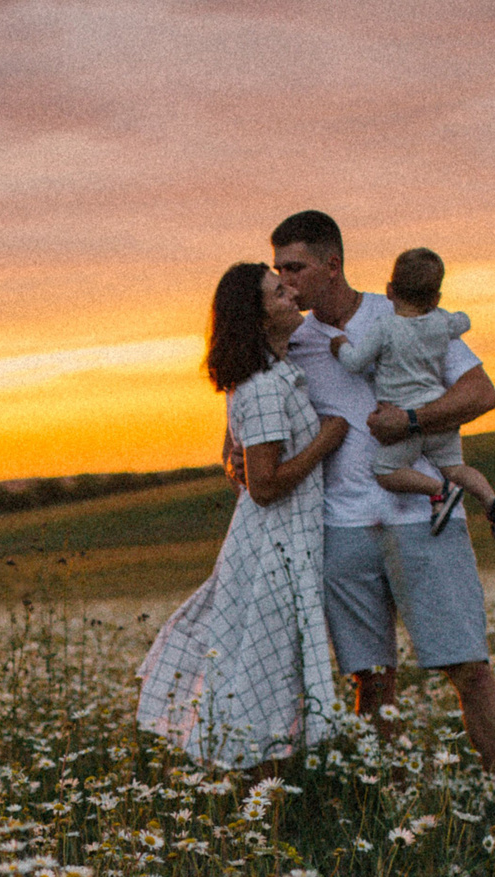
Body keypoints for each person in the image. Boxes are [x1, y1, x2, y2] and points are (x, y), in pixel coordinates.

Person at [265, 209, 495, 806]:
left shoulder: (403, 317)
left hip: (423, 519)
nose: (286, 280)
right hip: (341, 528)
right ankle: (394, 811)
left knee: (469, 669)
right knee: (369, 681)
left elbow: (481, 392)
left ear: (332, 265)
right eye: (278, 270)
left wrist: (409, 419)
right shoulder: (289, 344)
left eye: (295, 267)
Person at [136, 262, 349, 771]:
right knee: (265, 677)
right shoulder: (263, 388)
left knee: (271, 676)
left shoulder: (268, 378)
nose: (291, 294)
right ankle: (261, 802)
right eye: (279, 293)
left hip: (280, 545)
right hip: (270, 552)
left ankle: (271, 797)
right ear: (258, 318)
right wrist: (326, 439)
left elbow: (236, 461)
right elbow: (264, 485)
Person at [331, 246, 495, 540]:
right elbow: (464, 321)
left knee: (385, 470)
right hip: (439, 418)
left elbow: (355, 363)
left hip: (403, 420)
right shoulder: (441, 322)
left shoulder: (385, 327)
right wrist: (449, 317)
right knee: (455, 467)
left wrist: (340, 345)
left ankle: (439, 492)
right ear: (436, 298)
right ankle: (493, 501)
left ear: (390, 291)